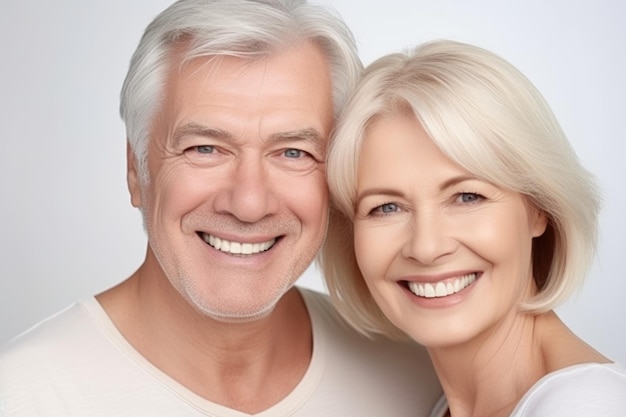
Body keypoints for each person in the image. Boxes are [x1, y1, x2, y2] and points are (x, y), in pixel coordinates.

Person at [0, 1, 442, 415]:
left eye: (293, 152)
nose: (249, 203)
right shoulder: (22, 396)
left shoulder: (418, 377)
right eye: (205, 148)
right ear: (136, 170)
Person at [320, 39, 626, 416]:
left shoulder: (586, 407)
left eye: (467, 197)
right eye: (386, 207)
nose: (427, 247)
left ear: (538, 209)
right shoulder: (444, 406)